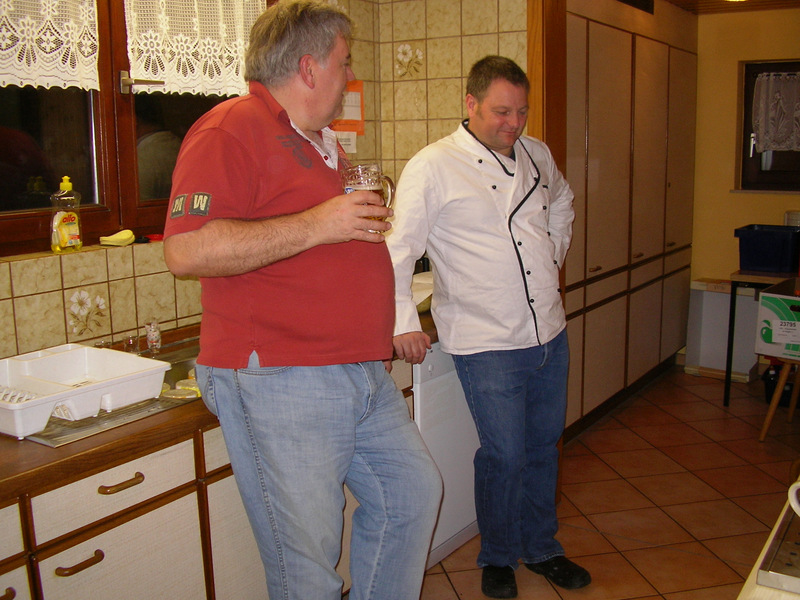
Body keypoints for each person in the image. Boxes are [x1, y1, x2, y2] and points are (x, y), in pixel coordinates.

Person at [162, 2, 442, 599]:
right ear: (310, 67)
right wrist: (322, 222)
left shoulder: (319, 141)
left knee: (412, 495)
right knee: (308, 564)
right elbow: (187, 250)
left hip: (356, 369)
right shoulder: (229, 128)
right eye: (345, 62)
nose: (351, 76)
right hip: (281, 375)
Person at [386, 56, 591, 599]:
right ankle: (498, 556)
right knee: (504, 454)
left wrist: (553, 254)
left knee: (544, 448)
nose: (514, 124)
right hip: (486, 341)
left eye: (521, 112)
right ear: (470, 103)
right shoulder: (434, 166)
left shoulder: (536, 153)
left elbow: (563, 201)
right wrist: (402, 322)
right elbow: (398, 249)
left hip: (549, 332)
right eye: (502, 112)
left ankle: (542, 547)